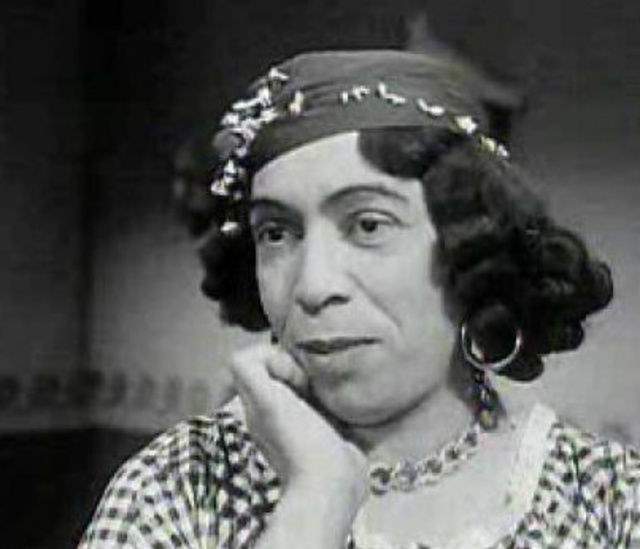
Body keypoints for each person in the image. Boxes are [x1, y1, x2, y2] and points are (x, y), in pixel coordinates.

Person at [80, 50, 640, 548]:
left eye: (368, 224)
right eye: (276, 233)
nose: (313, 285)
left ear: (471, 252)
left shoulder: (606, 497)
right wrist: (316, 500)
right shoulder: (179, 484)